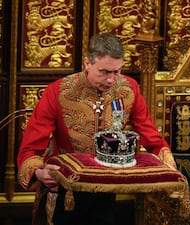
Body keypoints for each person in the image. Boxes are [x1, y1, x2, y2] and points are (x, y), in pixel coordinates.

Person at [17, 33, 177, 225]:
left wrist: (168, 162)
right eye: (104, 72)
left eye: (116, 72)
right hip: (64, 189)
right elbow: (30, 148)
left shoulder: (129, 89)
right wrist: (37, 171)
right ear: (87, 63)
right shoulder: (57, 91)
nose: (111, 80)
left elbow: (152, 137)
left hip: (108, 189)